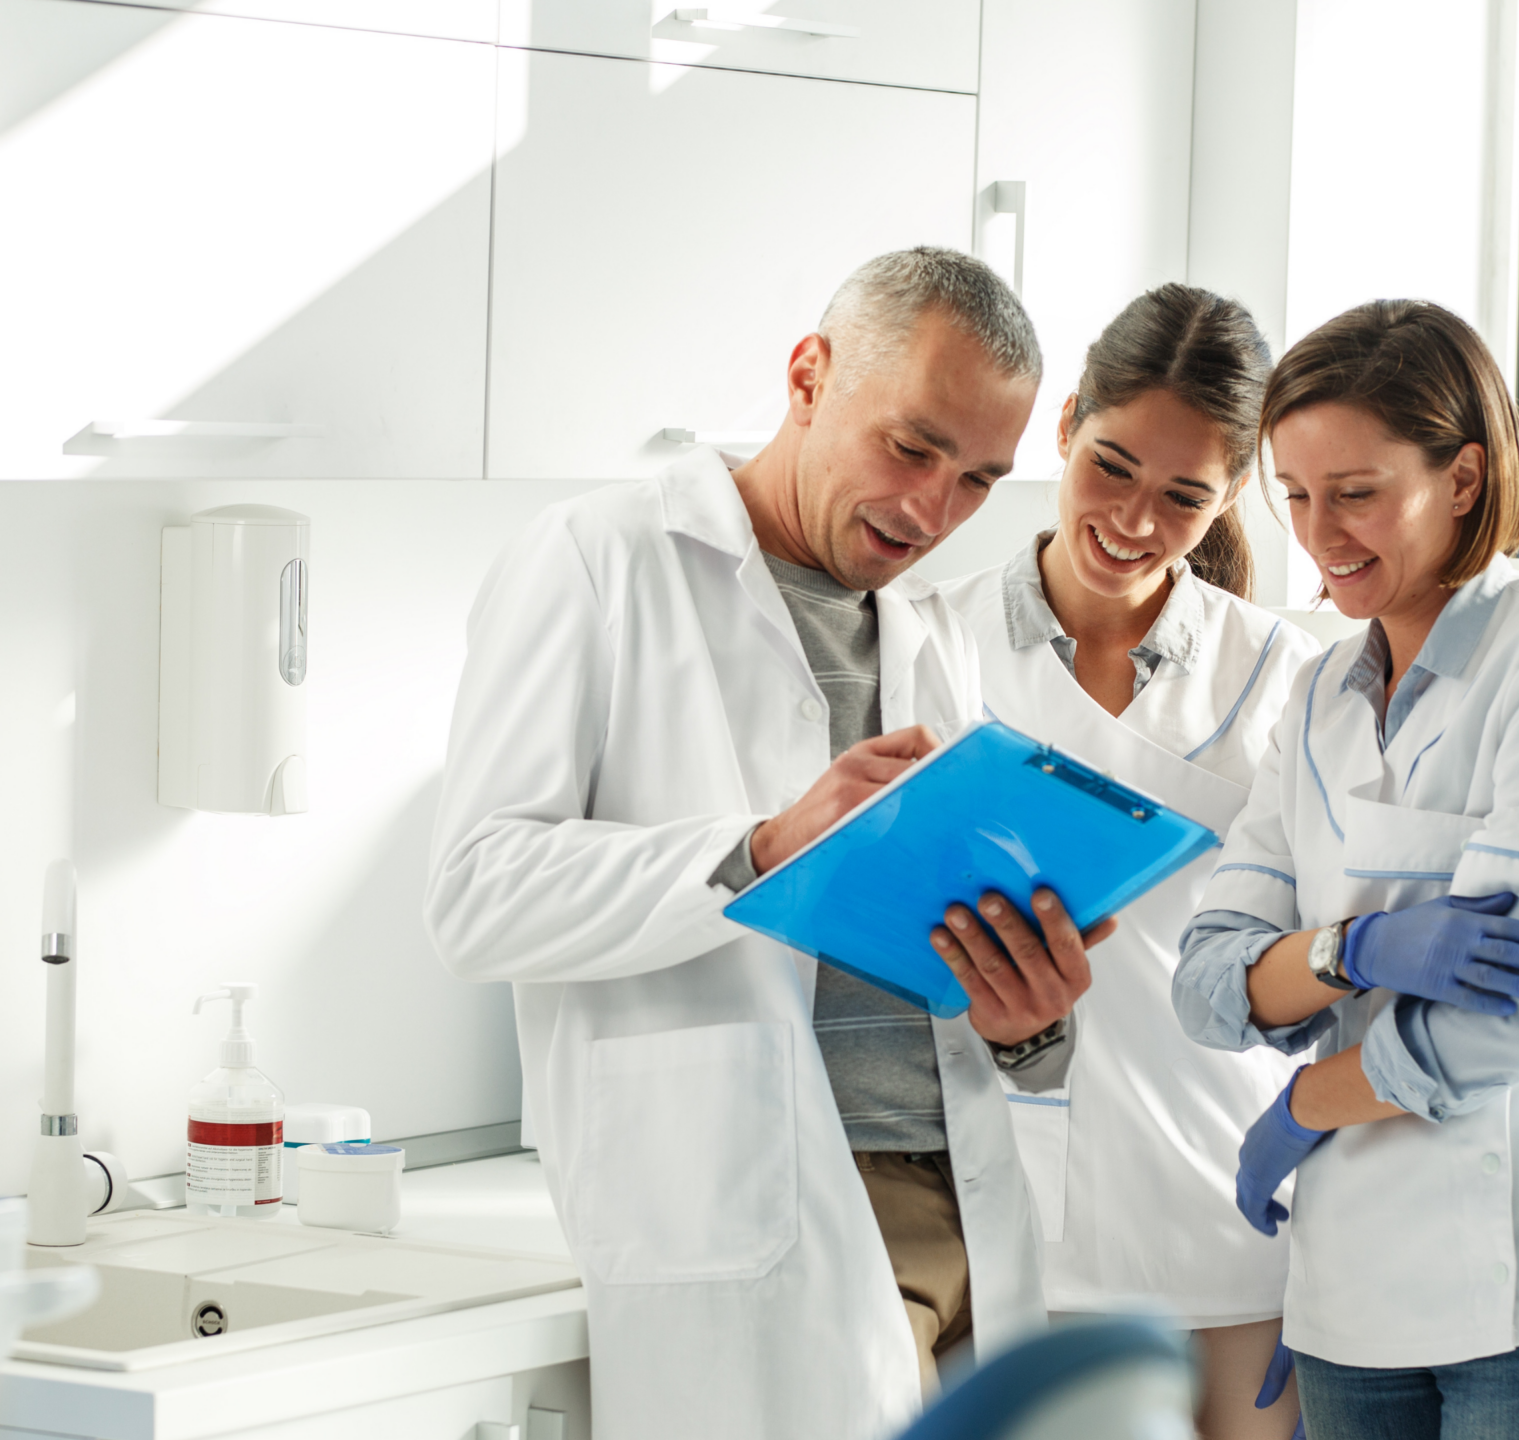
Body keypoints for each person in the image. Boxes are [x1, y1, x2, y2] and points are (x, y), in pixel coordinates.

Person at [427, 248, 1113, 1440]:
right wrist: (757, 846)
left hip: (968, 1209)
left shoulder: (922, 632)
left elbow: (924, 957)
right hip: (774, 1206)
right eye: (911, 447)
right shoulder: (601, 557)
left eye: (977, 481)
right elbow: (476, 891)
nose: (931, 512)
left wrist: (1029, 1020)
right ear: (809, 374)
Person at [1173, 299, 1519, 1439]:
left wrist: (1309, 1094)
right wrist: (1351, 950)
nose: (1319, 533)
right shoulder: (1315, 698)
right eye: (1294, 495)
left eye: (1355, 493)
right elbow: (1209, 981)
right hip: (1352, 1302)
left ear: (1462, 477)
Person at [937, 283, 1319, 1440]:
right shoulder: (930, 644)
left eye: (1183, 497)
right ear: (1064, 427)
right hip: (1006, 1227)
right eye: (1111, 468)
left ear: (1235, 492)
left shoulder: (1284, 675)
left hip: (1231, 1224)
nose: (1135, 520)